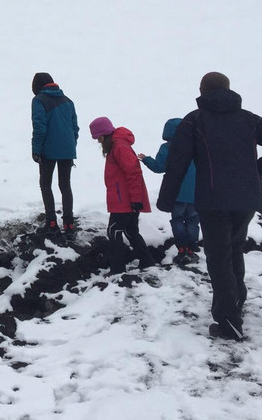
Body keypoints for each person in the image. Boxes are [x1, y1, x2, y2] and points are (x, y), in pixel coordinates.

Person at [159, 72, 262, 341]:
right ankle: (236, 301)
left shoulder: (194, 120)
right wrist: (254, 173)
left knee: (219, 257)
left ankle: (229, 321)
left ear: (202, 91)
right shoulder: (249, 119)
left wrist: (166, 200)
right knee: (233, 249)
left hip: (213, 200)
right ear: (228, 89)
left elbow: (177, 163)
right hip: (246, 199)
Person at [89, 116, 155, 274]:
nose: (98, 141)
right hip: (126, 199)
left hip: (125, 200)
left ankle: (117, 269)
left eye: (99, 137)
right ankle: (147, 262)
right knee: (130, 231)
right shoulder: (117, 145)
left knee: (114, 231)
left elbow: (134, 173)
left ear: (105, 134)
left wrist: (136, 199)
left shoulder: (119, 147)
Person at [138, 118, 200, 265]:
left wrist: (146, 159)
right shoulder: (197, 145)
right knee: (193, 220)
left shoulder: (167, 147)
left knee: (177, 219)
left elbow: (159, 167)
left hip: (177, 192)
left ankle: (182, 249)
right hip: (196, 192)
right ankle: (191, 249)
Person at [30, 72, 79, 237]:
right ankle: (69, 224)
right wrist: (71, 145)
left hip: (48, 149)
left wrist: (36, 150)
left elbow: (39, 127)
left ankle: (51, 223)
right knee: (65, 185)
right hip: (68, 149)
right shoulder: (68, 100)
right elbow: (75, 127)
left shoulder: (38, 100)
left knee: (45, 184)